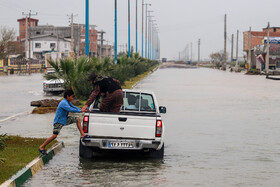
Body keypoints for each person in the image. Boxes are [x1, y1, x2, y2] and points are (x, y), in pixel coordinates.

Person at [39, 89, 87, 155]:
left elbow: (73, 107)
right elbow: (70, 109)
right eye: (72, 97)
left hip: (64, 119)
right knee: (54, 136)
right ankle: (42, 147)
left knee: (77, 119)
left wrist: (81, 109)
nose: (72, 98)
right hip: (59, 121)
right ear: (68, 96)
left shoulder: (68, 102)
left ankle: (82, 134)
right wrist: (80, 111)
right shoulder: (63, 103)